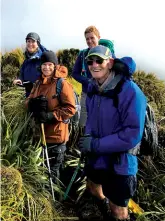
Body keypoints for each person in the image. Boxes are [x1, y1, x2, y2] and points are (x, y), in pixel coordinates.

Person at [78, 45, 147, 221]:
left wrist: (95, 145)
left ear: (110, 63)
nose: (94, 65)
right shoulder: (93, 89)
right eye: (90, 61)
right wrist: (87, 137)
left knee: (118, 210)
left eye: (99, 60)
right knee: (94, 188)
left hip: (120, 162)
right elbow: (92, 121)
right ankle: (104, 212)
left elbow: (132, 134)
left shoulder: (130, 91)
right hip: (97, 157)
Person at [25, 50, 76, 183]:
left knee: (52, 177)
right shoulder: (37, 83)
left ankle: (54, 202)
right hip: (39, 137)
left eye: (50, 64)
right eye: (44, 64)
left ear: (55, 66)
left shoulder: (62, 84)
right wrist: (32, 105)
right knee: (40, 173)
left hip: (56, 138)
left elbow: (70, 109)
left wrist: (49, 116)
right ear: (40, 66)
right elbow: (27, 101)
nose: (46, 67)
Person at [13, 32, 47, 97]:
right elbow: (22, 74)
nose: (30, 44)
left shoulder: (44, 59)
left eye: (33, 41)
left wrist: (35, 85)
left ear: (38, 44)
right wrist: (19, 80)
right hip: (29, 97)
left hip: (42, 97)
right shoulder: (26, 61)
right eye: (28, 41)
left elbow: (50, 77)